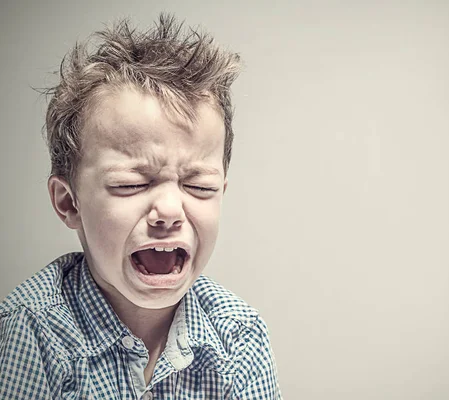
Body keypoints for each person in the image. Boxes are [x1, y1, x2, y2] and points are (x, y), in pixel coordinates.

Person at [0, 14, 281, 399]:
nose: (169, 210)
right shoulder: (31, 331)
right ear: (69, 203)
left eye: (199, 186)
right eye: (130, 184)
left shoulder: (239, 335)